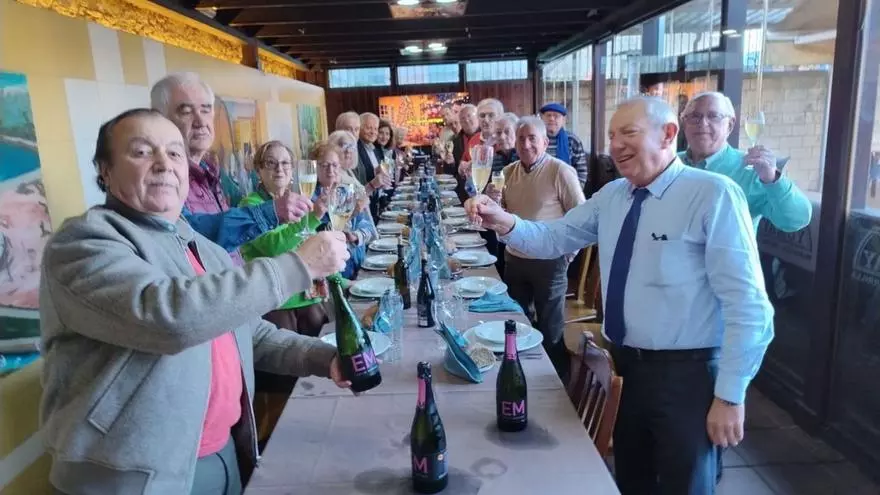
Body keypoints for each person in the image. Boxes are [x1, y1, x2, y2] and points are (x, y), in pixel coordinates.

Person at [465, 97, 774, 495]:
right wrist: (503, 220)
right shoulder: (613, 195)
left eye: (629, 132)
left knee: (686, 486)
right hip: (625, 368)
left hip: (688, 377)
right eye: (612, 135)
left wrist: (730, 396)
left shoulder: (713, 194)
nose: (616, 145)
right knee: (631, 481)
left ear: (668, 134)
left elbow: (749, 306)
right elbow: (555, 237)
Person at [39, 108, 352, 495]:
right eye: (142, 152)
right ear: (105, 170)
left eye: (174, 153)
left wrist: (324, 358)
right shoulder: (83, 244)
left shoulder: (200, 246)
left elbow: (248, 333)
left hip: (222, 454)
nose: (163, 164)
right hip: (127, 476)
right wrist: (298, 266)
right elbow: (170, 318)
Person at [150, 73, 312, 262]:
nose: (200, 122)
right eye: (186, 111)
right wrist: (272, 212)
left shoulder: (209, 173)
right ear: (160, 119)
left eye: (206, 110)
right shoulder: (159, 177)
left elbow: (225, 248)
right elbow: (189, 236)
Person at [488, 116, 585, 374]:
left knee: (551, 331)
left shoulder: (560, 171)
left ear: (544, 142)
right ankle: (520, 374)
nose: (526, 144)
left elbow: (581, 218)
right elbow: (501, 214)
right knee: (516, 324)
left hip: (550, 262)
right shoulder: (507, 173)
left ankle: (555, 383)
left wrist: (567, 255)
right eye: (521, 139)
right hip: (515, 258)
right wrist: (492, 202)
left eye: (532, 138)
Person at [679, 92, 812, 233]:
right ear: (684, 123)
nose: (703, 123)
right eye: (695, 116)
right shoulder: (670, 163)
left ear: (730, 125)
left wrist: (772, 178)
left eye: (714, 116)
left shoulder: (750, 170)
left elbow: (796, 220)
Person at [312, 141, 377, 279]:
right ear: (315, 168)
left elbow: (369, 229)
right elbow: (319, 236)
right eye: (324, 165)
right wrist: (350, 216)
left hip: (358, 265)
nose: (330, 170)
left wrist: (355, 236)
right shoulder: (312, 199)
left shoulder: (347, 191)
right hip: (334, 274)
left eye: (334, 165)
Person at [539, 102, 589, 189]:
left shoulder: (573, 140)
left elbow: (582, 171)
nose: (551, 119)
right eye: (548, 115)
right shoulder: (536, 140)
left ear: (563, 120)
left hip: (567, 188)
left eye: (556, 116)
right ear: (542, 118)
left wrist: (575, 191)